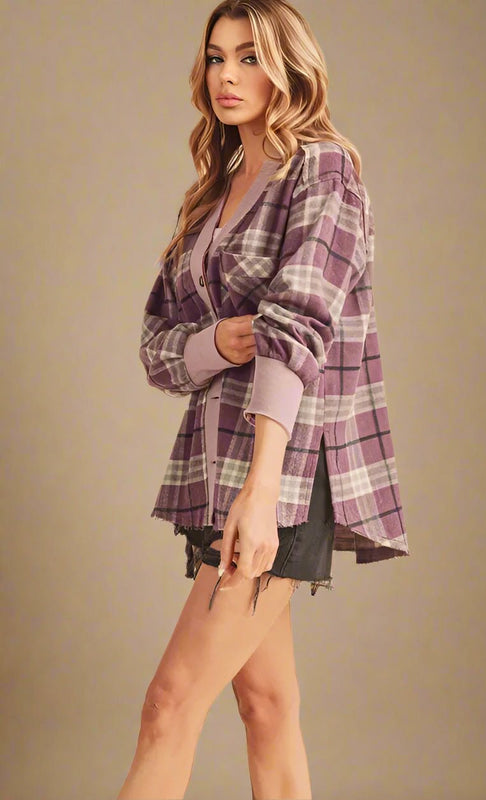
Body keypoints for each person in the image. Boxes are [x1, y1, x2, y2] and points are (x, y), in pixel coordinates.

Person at [117, 1, 410, 798]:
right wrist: (217, 342)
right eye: (216, 57)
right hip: (218, 468)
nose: (227, 75)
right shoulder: (210, 196)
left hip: (281, 469)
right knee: (267, 706)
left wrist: (263, 490)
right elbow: (158, 349)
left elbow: (298, 323)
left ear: (288, 67)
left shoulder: (322, 171)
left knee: (169, 704)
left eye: (249, 56)